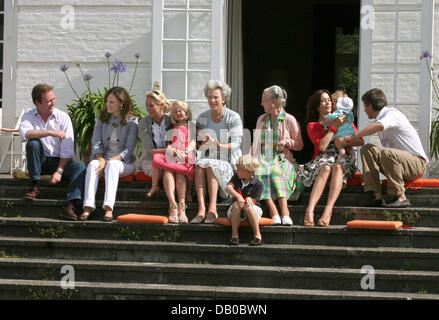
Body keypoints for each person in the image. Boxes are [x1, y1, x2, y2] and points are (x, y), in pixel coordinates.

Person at [345, 88, 428, 208]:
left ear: (370, 105)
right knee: (367, 149)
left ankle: (400, 196)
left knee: (388, 153)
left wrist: (355, 136)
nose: (364, 110)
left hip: (416, 164)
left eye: (364, 106)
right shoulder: (381, 118)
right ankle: (375, 195)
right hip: (398, 164)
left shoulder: (391, 114)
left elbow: (378, 126)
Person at [19, 83, 86, 221]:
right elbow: (25, 134)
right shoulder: (29, 116)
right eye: (49, 101)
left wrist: (59, 171)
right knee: (33, 143)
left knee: (80, 167)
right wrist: (50, 132)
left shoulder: (63, 117)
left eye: (53, 99)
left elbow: (67, 150)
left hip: (59, 161)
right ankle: (34, 187)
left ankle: (70, 205)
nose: (52, 103)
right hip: (40, 161)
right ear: (37, 102)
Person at [297, 89, 363, 227]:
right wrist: (334, 127)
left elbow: (360, 140)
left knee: (338, 167)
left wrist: (345, 141)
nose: (327, 103)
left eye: (328, 100)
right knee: (326, 168)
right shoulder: (313, 125)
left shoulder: (343, 118)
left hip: (341, 157)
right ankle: (310, 209)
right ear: (316, 106)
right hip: (323, 158)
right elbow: (322, 147)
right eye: (322, 101)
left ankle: (328, 210)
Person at [79, 87, 138, 222]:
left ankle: (108, 208)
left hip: (124, 163)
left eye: (111, 102)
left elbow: (129, 149)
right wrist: (100, 159)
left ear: (121, 104)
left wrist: (108, 161)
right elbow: (95, 143)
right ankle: (88, 206)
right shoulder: (102, 118)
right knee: (93, 164)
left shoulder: (132, 122)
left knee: (112, 165)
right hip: (104, 159)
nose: (107, 104)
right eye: (107, 101)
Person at [191, 80, 243, 224]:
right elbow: (199, 145)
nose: (212, 100)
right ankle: (201, 209)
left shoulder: (233, 117)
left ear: (224, 98)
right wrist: (201, 142)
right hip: (208, 160)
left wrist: (219, 145)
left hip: (229, 163)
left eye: (216, 97)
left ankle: (212, 209)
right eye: (209, 97)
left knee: (209, 164)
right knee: (201, 164)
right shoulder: (202, 117)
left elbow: (237, 143)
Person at [251, 85, 304, 226]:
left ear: (273, 102)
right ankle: (274, 210)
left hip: (284, 160)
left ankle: (284, 212)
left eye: (264, 100)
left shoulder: (289, 119)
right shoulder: (261, 119)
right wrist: (250, 160)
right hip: (263, 159)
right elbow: (255, 144)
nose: (261, 103)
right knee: (262, 168)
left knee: (272, 168)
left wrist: (287, 142)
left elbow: (299, 145)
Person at [152, 100, 196, 223]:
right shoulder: (170, 127)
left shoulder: (191, 126)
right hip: (173, 154)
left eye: (180, 110)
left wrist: (186, 151)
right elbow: (169, 144)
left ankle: (182, 206)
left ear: (187, 113)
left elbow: (192, 142)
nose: (178, 113)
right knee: (167, 170)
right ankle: (172, 204)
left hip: (185, 155)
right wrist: (171, 149)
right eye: (175, 111)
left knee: (180, 173)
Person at [138, 90, 173, 199]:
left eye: (151, 105)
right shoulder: (143, 123)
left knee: (170, 169)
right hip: (152, 160)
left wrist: (171, 151)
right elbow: (151, 151)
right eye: (147, 105)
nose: (148, 108)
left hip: (171, 158)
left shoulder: (172, 121)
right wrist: (168, 150)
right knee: (165, 170)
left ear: (161, 105)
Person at [225, 155, 264, 246]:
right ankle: (235, 235)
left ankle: (258, 235)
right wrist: (238, 196)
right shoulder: (236, 178)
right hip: (236, 209)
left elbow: (255, 200)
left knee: (248, 206)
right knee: (237, 205)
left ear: (249, 171)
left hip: (253, 210)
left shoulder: (258, 184)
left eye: (239, 169)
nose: (236, 171)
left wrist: (250, 199)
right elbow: (228, 187)